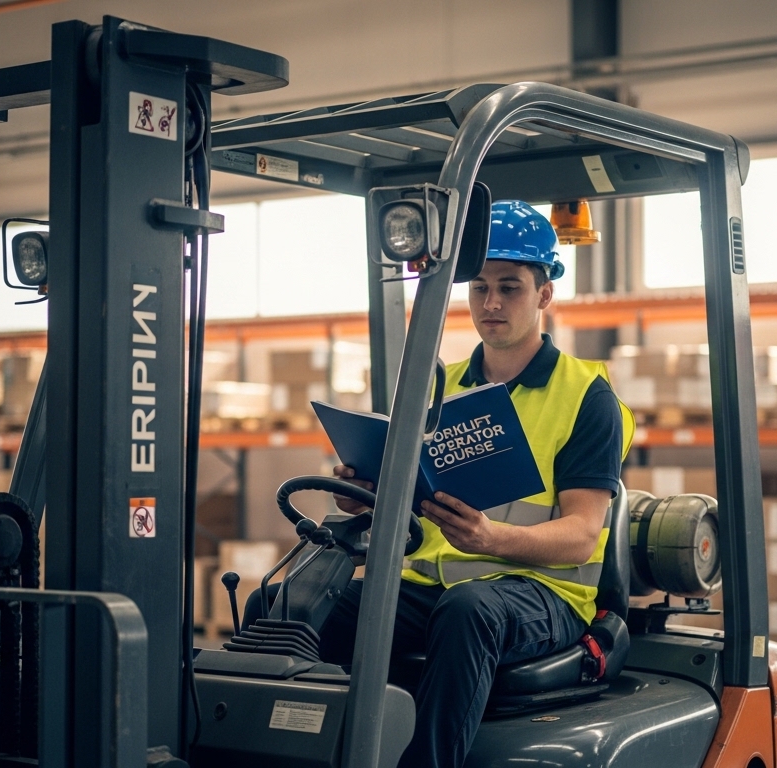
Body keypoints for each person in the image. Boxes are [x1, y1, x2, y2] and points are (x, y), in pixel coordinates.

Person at [250, 200, 633, 768]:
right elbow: (408, 500)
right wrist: (362, 491)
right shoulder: (440, 386)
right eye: (479, 288)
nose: (492, 302)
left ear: (544, 294)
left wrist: (491, 538)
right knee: (283, 603)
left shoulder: (586, 397)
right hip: (432, 583)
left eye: (511, 287)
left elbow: (580, 536)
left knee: (468, 608)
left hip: (544, 593)